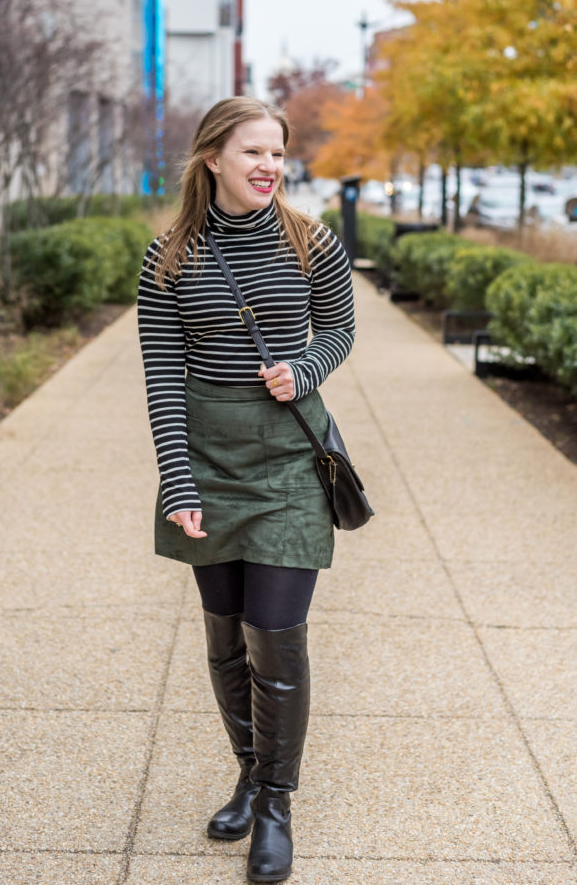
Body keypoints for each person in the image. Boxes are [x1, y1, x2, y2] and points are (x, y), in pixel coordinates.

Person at [137, 97, 355, 884]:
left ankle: (275, 803)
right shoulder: (168, 259)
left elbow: (339, 329)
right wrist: (177, 479)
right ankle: (249, 769)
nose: (269, 166)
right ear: (212, 159)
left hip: (290, 458)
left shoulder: (311, 242)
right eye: (253, 152)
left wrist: (305, 368)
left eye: (277, 153)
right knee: (224, 636)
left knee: (276, 634)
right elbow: (163, 379)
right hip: (209, 457)